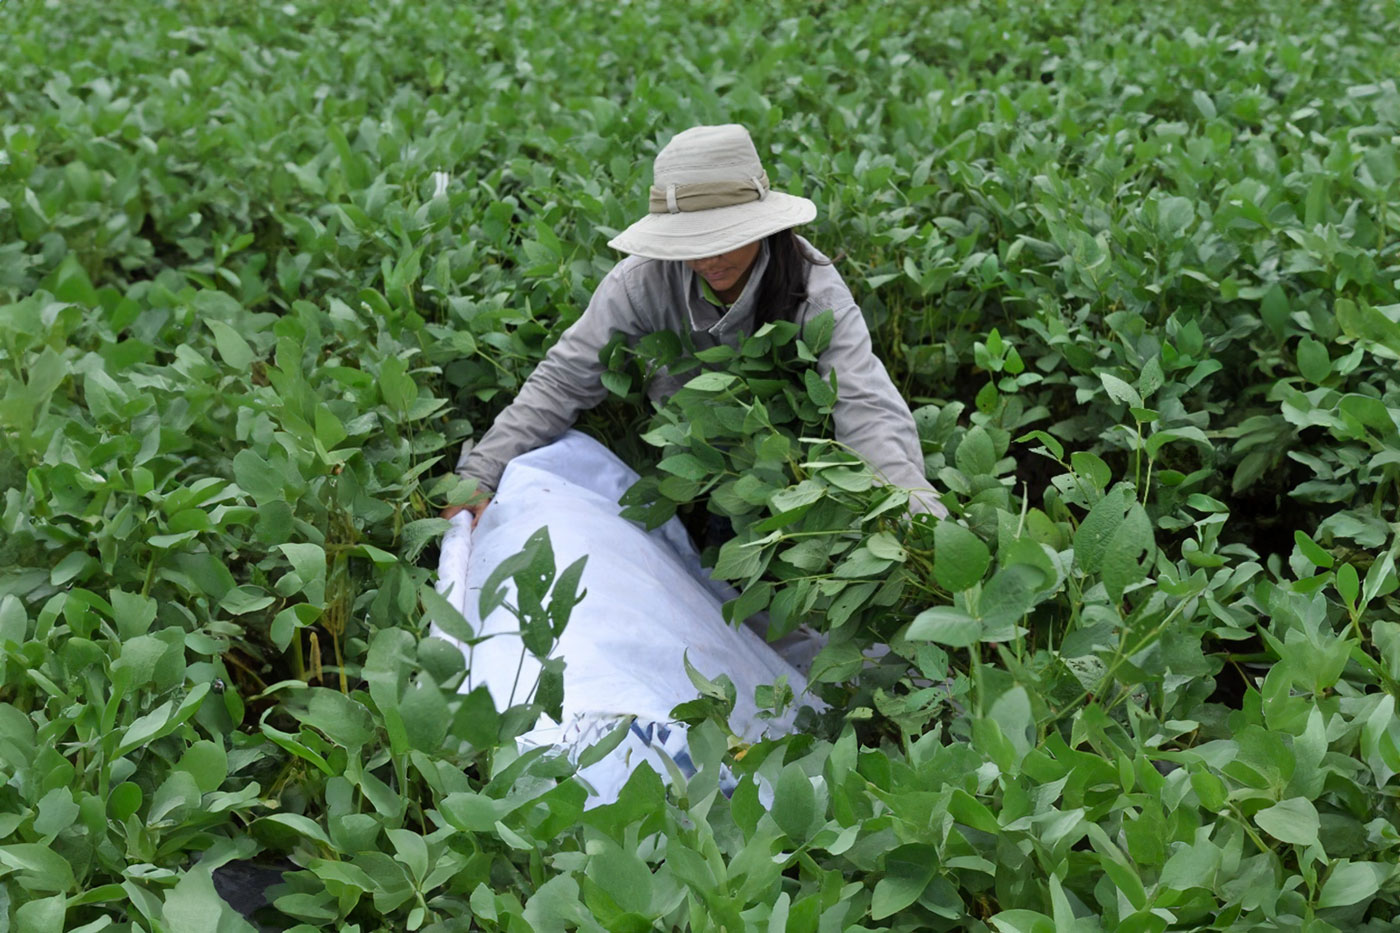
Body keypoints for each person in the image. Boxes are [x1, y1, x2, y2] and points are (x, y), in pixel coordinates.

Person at [446, 123, 947, 525]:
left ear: (762, 226)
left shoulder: (813, 291)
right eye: (690, 242)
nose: (706, 258)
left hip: (795, 474)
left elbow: (866, 408)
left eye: (722, 238)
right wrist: (478, 476)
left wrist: (916, 523)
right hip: (692, 471)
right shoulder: (641, 282)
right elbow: (564, 379)